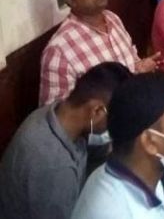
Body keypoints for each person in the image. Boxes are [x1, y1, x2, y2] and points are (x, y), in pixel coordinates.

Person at [0, 62, 130, 219]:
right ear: (96, 111)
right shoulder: (55, 168)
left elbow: (98, 152)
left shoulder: (57, 113)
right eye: (115, 119)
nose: (114, 126)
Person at [40, 0, 162, 106]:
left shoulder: (113, 19)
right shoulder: (59, 50)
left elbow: (130, 66)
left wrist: (140, 68)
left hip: (136, 107)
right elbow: (56, 113)